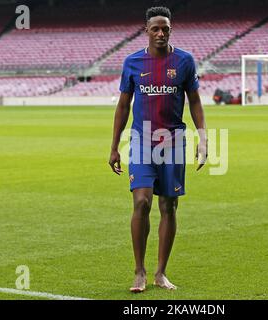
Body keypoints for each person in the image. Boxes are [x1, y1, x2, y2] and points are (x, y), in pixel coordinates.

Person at [109, 6, 208, 293]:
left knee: (169, 205)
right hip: (141, 141)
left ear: (170, 30)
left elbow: (196, 102)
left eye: (165, 28)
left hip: (174, 141)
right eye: (156, 28)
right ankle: (138, 271)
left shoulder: (185, 61)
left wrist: (203, 138)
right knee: (141, 202)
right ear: (147, 30)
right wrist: (114, 147)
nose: (161, 33)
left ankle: (160, 273)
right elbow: (123, 106)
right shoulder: (133, 62)